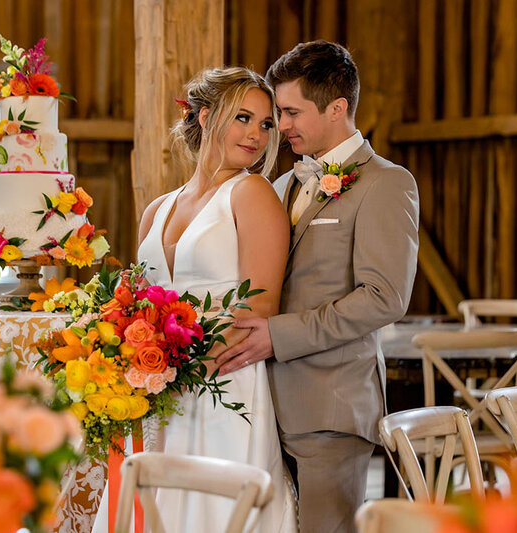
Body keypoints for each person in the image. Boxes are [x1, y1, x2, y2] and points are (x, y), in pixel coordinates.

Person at [216, 41, 420, 533]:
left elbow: (384, 298)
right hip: (261, 403)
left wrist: (277, 335)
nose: (278, 127)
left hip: (331, 406)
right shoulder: (282, 184)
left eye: (289, 112)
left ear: (337, 108)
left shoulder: (386, 184)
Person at [91, 67, 297, 532]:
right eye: (243, 118)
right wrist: (132, 363)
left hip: (224, 387)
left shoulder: (252, 194)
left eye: (266, 125)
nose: (257, 135)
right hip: (158, 392)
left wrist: (177, 372)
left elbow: (258, 310)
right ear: (206, 117)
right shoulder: (157, 209)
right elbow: (135, 303)